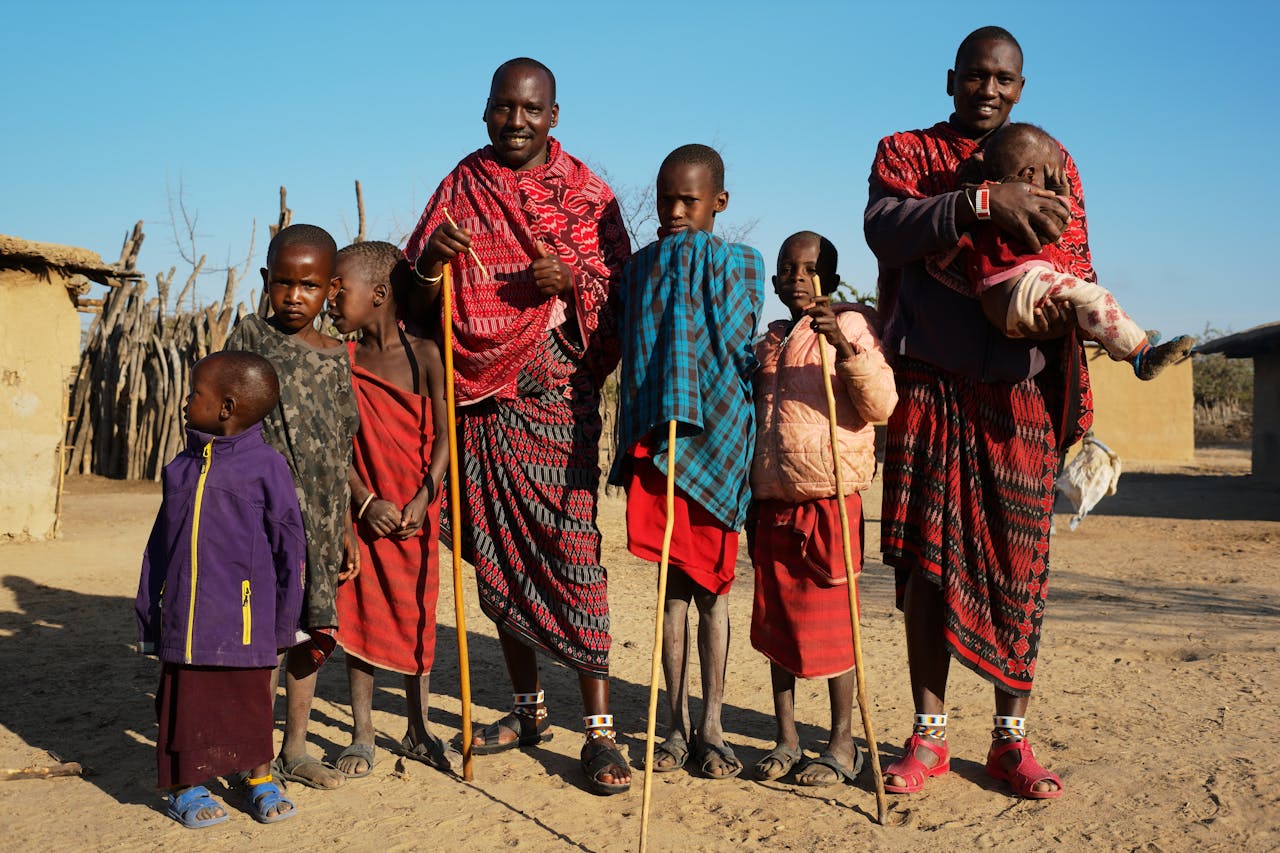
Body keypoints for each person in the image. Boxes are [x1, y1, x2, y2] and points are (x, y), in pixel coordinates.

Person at [864, 26, 1092, 799]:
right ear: (951, 78)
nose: (987, 90)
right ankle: (927, 736)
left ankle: (1009, 740)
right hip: (930, 388)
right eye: (975, 76)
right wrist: (981, 202)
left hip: (1019, 398)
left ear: (1020, 87)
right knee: (926, 567)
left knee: (1020, 567)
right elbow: (884, 230)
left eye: (1003, 79)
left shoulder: (1054, 163)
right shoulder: (905, 153)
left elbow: (1077, 260)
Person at [403, 57, 633, 795]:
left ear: (554, 116)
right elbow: (411, 298)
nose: (516, 121)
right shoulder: (459, 187)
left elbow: (622, 295)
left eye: (531, 110)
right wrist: (433, 265)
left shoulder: (589, 197)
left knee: (572, 552)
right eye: (504, 108)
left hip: (556, 396)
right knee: (498, 553)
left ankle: (600, 732)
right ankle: (528, 708)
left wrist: (575, 280)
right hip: (475, 402)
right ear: (485, 112)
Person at [610, 144, 765, 780]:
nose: (673, 212)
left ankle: (714, 726)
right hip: (660, 446)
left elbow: (737, 336)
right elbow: (632, 337)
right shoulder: (641, 267)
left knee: (714, 598)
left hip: (718, 445)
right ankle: (674, 726)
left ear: (718, 203)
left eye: (689, 201)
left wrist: (688, 253)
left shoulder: (743, 263)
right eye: (665, 199)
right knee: (672, 595)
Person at [748, 232, 897, 786]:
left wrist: (847, 349)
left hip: (830, 500)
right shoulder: (770, 341)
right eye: (788, 269)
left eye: (810, 269)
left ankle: (842, 745)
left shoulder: (853, 327)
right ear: (776, 281)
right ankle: (786, 738)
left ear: (830, 279)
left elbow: (881, 405)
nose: (798, 278)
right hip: (775, 501)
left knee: (836, 627)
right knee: (777, 624)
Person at [136, 351, 304, 828]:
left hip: (246, 617)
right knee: (185, 704)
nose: (187, 401)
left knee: (251, 701)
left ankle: (259, 780)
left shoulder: (266, 467)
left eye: (195, 394)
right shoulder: (179, 469)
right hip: (187, 620)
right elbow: (159, 545)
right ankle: (185, 787)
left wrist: (284, 621)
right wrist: (150, 612)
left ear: (226, 407)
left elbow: (289, 545)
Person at [223, 224, 360, 790]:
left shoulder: (336, 356)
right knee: (258, 637)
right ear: (266, 281)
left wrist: (348, 524)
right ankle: (252, 752)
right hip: (259, 516)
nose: (294, 296)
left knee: (311, 631)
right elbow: (222, 418)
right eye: (283, 283)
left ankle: (296, 747)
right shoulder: (248, 339)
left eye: (308, 286)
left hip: (324, 518)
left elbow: (343, 439)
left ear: (330, 289)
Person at [327, 241, 460, 778]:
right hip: (369, 516)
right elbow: (333, 445)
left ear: (379, 294)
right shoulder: (341, 362)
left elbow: (447, 435)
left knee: (416, 619)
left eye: (340, 289)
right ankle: (362, 733)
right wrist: (364, 502)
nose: (330, 300)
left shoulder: (426, 354)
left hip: (416, 514)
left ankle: (417, 725)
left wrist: (427, 493)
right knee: (360, 618)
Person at [942, 122, 1193, 378]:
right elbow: (1055, 224)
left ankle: (1126, 340)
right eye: (1048, 177)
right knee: (1096, 297)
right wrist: (1062, 193)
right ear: (1029, 175)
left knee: (1080, 306)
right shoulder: (1017, 203)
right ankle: (1142, 357)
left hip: (1001, 303)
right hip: (1021, 290)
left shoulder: (983, 196)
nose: (1049, 187)